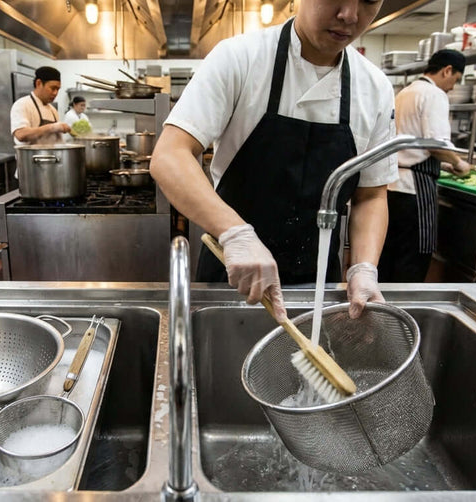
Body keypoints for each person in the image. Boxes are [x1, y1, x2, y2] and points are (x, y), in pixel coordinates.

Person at [150, 0, 398, 320]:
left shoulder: (375, 88)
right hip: (233, 283)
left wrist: (364, 268)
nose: (349, 15)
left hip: (318, 288)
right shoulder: (240, 57)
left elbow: (371, 194)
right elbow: (170, 155)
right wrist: (236, 233)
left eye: (368, 0)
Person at [378, 49, 471, 283]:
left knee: (389, 256)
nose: (452, 87)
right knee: (414, 258)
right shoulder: (434, 94)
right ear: (447, 70)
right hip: (414, 190)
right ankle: (406, 313)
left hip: (392, 186)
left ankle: (381, 315)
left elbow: (411, 141)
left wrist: (444, 166)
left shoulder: (405, 92)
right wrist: (459, 164)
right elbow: (435, 145)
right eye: (455, 80)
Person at [10, 66, 70, 145]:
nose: (55, 93)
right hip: (31, 157)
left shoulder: (53, 110)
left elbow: (58, 142)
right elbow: (21, 134)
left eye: (58, 89)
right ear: (38, 83)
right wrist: (52, 127)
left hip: (52, 156)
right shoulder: (22, 104)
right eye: (53, 88)